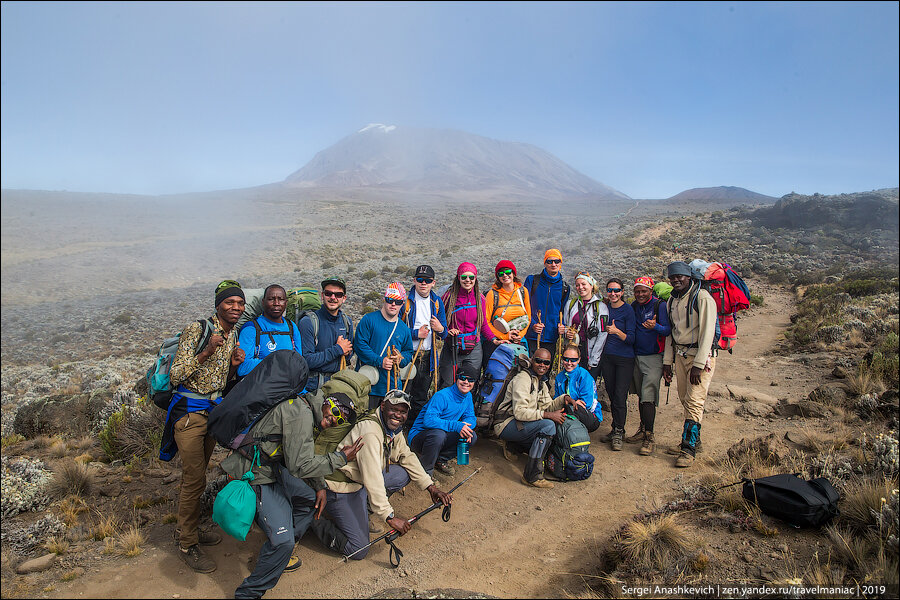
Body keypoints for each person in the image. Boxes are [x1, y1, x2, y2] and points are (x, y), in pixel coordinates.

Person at [221, 392, 365, 598]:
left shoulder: (306, 411)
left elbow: (301, 454)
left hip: (272, 470)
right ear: (327, 402)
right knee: (283, 541)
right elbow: (300, 466)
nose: (334, 420)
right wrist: (340, 458)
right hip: (256, 473)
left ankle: (276, 555)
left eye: (340, 420)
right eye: (335, 412)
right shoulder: (300, 414)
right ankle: (248, 593)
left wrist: (319, 486)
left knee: (309, 501)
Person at [160, 282, 246, 573]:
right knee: (195, 478)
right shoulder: (198, 330)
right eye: (230, 302)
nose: (236, 307)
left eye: (240, 303)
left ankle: (191, 530)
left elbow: (219, 381)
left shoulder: (232, 334)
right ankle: (186, 543)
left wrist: (233, 365)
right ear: (218, 305)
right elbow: (176, 375)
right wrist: (207, 351)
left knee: (200, 474)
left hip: (211, 413)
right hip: (188, 415)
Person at [314, 390, 452, 559]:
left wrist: (430, 487)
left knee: (402, 473)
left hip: (359, 483)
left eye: (403, 412)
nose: (398, 415)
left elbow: (405, 455)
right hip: (340, 488)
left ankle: (365, 509)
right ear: (383, 406)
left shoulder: (392, 427)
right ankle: (313, 521)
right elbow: (373, 478)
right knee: (358, 549)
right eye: (394, 409)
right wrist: (390, 517)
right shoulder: (371, 432)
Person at [493, 347, 575, 489]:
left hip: (521, 424)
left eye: (546, 363)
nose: (542, 365)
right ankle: (531, 475)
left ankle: (514, 446)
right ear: (532, 360)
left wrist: (564, 399)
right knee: (548, 426)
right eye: (539, 361)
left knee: (552, 424)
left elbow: (548, 406)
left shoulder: (540, 382)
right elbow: (520, 412)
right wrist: (548, 415)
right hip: (506, 424)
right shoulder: (523, 379)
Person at [662, 261, 718, 468]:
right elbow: (671, 333)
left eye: (680, 277)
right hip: (680, 354)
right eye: (672, 277)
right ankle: (695, 439)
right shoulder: (672, 301)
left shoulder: (702, 298)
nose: (676, 280)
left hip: (698, 357)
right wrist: (667, 362)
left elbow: (708, 332)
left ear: (690, 277)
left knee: (694, 401)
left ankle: (688, 449)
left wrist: (700, 364)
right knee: (685, 398)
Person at [625, 276, 672, 456]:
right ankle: (643, 429)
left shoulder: (659, 306)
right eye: (637, 291)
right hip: (636, 356)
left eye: (644, 291)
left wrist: (655, 327)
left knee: (648, 395)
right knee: (640, 393)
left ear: (651, 291)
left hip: (653, 357)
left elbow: (668, 330)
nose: (640, 294)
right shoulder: (634, 306)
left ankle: (649, 437)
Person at [408, 365, 478, 476]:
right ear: (457, 378)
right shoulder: (442, 396)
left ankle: (440, 459)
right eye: (462, 378)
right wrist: (457, 425)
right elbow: (429, 421)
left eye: (470, 380)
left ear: (474, 382)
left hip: (442, 435)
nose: (466, 382)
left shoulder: (467, 396)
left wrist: (467, 426)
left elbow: (470, 417)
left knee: (471, 435)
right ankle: (425, 472)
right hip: (420, 436)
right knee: (438, 434)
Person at [400, 265, 448, 426]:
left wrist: (440, 328)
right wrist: (415, 334)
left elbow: (444, 332)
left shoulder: (437, 302)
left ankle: (414, 430)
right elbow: (397, 331)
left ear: (433, 283)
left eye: (427, 280)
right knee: (403, 394)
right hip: (409, 355)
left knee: (420, 396)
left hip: (428, 355)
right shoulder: (405, 302)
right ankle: (399, 428)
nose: (423, 283)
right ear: (414, 280)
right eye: (420, 280)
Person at [354, 283, 414, 409]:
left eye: (397, 302)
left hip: (392, 387)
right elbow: (360, 345)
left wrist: (400, 359)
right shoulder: (369, 320)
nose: (393, 304)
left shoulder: (404, 328)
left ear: (402, 304)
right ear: (384, 299)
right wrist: (380, 361)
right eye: (390, 300)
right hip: (368, 385)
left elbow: (408, 352)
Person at [439, 262, 497, 388]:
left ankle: (468, 408)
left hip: (473, 348)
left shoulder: (480, 299)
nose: (467, 280)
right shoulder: (448, 297)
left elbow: (483, 324)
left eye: (471, 277)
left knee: (470, 384)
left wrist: (494, 339)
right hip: (452, 346)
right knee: (448, 384)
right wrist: (447, 331)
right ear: (458, 277)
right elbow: (440, 320)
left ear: (475, 279)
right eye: (464, 277)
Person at [598, 278, 636, 452]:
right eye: (610, 290)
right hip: (607, 357)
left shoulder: (628, 310)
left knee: (620, 396)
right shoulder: (604, 308)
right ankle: (615, 428)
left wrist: (616, 332)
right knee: (612, 394)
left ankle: (619, 432)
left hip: (624, 358)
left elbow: (631, 338)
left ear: (622, 292)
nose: (613, 294)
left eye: (617, 290)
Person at [299, 276, 354, 395]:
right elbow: (306, 361)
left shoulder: (347, 322)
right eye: (329, 294)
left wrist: (347, 352)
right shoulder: (308, 322)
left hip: (338, 385)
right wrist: (338, 349)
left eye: (338, 295)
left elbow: (348, 355)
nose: (333, 298)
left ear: (344, 298)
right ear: (322, 295)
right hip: (313, 390)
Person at [237, 284, 303, 377]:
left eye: (280, 299)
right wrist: (278, 363)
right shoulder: (251, 328)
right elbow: (243, 368)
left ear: (286, 303)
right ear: (263, 302)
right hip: (261, 387)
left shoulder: (292, 327)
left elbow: (299, 363)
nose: (276, 303)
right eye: (271, 299)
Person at [560, 271, 609, 381]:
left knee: (587, 385)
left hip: (590, 353)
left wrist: (594, 360)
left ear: (591, 286)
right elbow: (566, 326)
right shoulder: (570, 304)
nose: (580, 287)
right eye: (577, 285)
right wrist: (566, 333)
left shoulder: (601, 307)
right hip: (573, 353)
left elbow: (602, 334)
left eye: (583, 284)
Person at [524, 249, 570, 361]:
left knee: (545, 371)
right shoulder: (532, 280)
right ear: (545, 263)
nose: (553, 264)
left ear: (560, 263)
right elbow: (524, 307)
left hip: (551, 337)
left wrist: (562, 326)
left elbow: (562, 311)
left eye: (556, 261)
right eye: (549, 261)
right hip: (532, 336)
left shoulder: (564, 287)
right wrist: (533, 325)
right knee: (529, 368)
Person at [483, 260, 531, 368]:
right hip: (499, 343)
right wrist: (504, 336)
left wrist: (520, 335)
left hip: (519, 342)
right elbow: (486, 321)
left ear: (513, 273)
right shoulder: (492, 294)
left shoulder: (523, 292)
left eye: (508, 272)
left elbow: (528, 317)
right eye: (501, 274)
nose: (505, 275)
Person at [553, 345, 602, 432]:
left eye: (573, 360)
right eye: (566, 359)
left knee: (576, 409)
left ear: (579, 360)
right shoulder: (559, 377)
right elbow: (556, 400)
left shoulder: (584, 375)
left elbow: (587, 403)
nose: (569, 363)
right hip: (568, 410)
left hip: (588, 415)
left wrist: (572, 404)